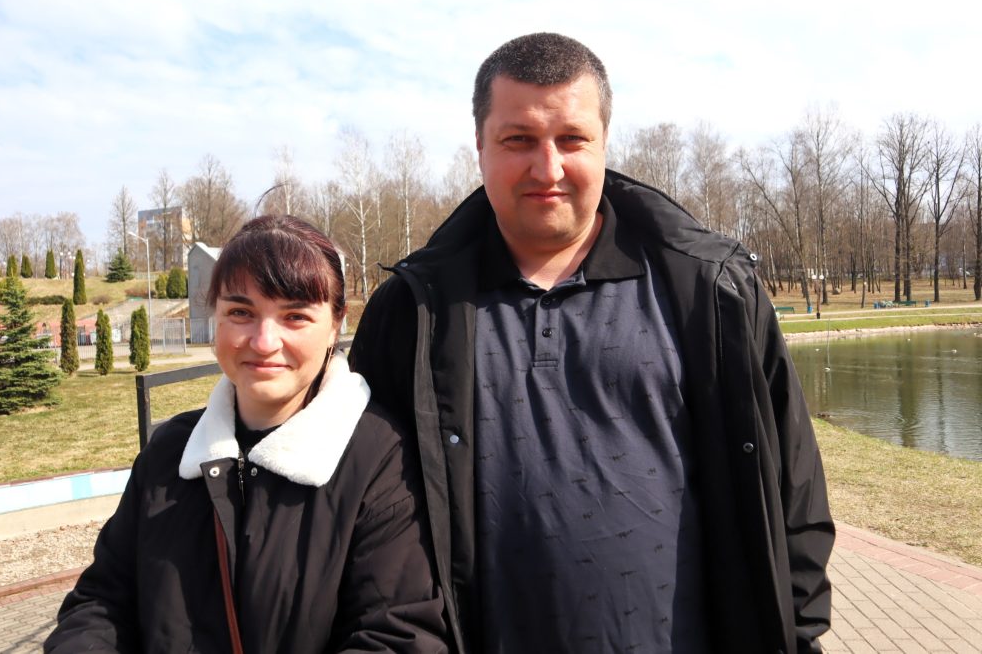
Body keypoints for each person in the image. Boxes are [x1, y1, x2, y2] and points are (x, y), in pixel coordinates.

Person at [349, 33, 834, 653]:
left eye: (571, 139)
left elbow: (793, 489)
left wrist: (796, 635)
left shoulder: (710, 291)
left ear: (604, 141)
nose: (547, 169)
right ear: (480, 145)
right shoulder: (412, 313)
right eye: (518, 140)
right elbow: (366, 515)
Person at [46, 216, 447, 653]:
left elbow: (397, 636)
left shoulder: (379, 458)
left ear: (336, 324)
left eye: (295, 316)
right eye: (241, 313)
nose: (263, 341)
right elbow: (101, 603)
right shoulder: (169, 453)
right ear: (215, 315)